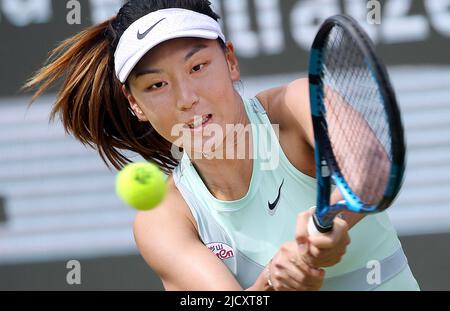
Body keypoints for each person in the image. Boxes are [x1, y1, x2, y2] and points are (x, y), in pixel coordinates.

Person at [24, 0, 420, 291]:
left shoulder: (299, 105)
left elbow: (371, 166)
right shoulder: (162, 220)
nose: (185, 98)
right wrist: (273, 283)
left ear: (230, 61)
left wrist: (330, 221)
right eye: (156, 85)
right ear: (135, 104)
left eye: (197, 67)